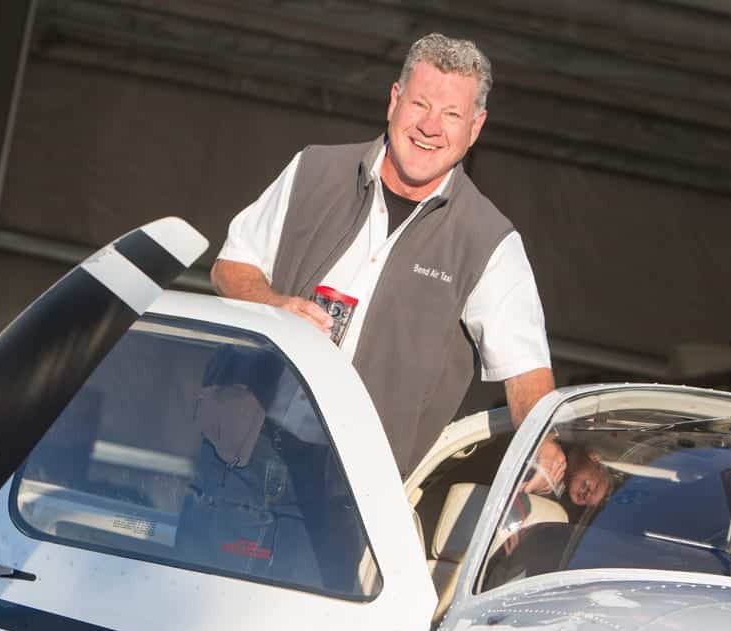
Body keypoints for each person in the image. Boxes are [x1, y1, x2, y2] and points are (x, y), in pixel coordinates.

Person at [211, 33, 565, 482]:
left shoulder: (489, 240)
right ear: (394, 101)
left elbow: (525, 372)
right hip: (234, 451)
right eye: (420, 104)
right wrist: (274, 304)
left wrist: (542, 443)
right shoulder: (313, 169)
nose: (430, 127)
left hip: (357, 491)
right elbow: (230, 267)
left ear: (475, 128)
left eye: (452, 114)